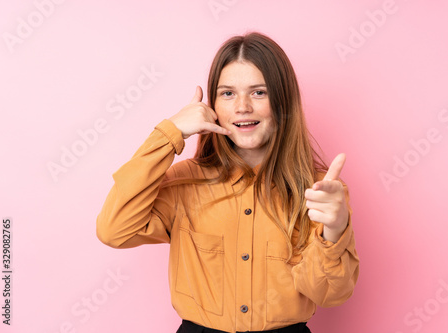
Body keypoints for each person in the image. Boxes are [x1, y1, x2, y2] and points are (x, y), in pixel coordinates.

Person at [96, 32, 359, 333]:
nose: (242, 107)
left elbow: (329, 293)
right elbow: (114, 230)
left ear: (282, 101)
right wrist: (170, 134)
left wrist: (335, 230)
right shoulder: (184, 183)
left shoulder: (319, 192)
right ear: (213, 107)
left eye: (259, 92)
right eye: (228, 93)